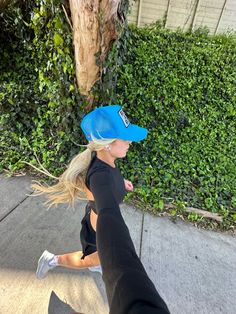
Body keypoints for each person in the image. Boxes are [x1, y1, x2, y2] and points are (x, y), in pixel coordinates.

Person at [33, 104, 170, 313]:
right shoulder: (99, 176)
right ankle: (51, 260)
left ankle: (86, 261)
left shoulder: (108, 159)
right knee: (87, 260)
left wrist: (122, 182)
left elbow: (109, 180)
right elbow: (107, 209)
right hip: (100, 229)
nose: (130, 142)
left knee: (93, 261)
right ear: (107, 144)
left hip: (103, 224)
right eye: (125, 137)